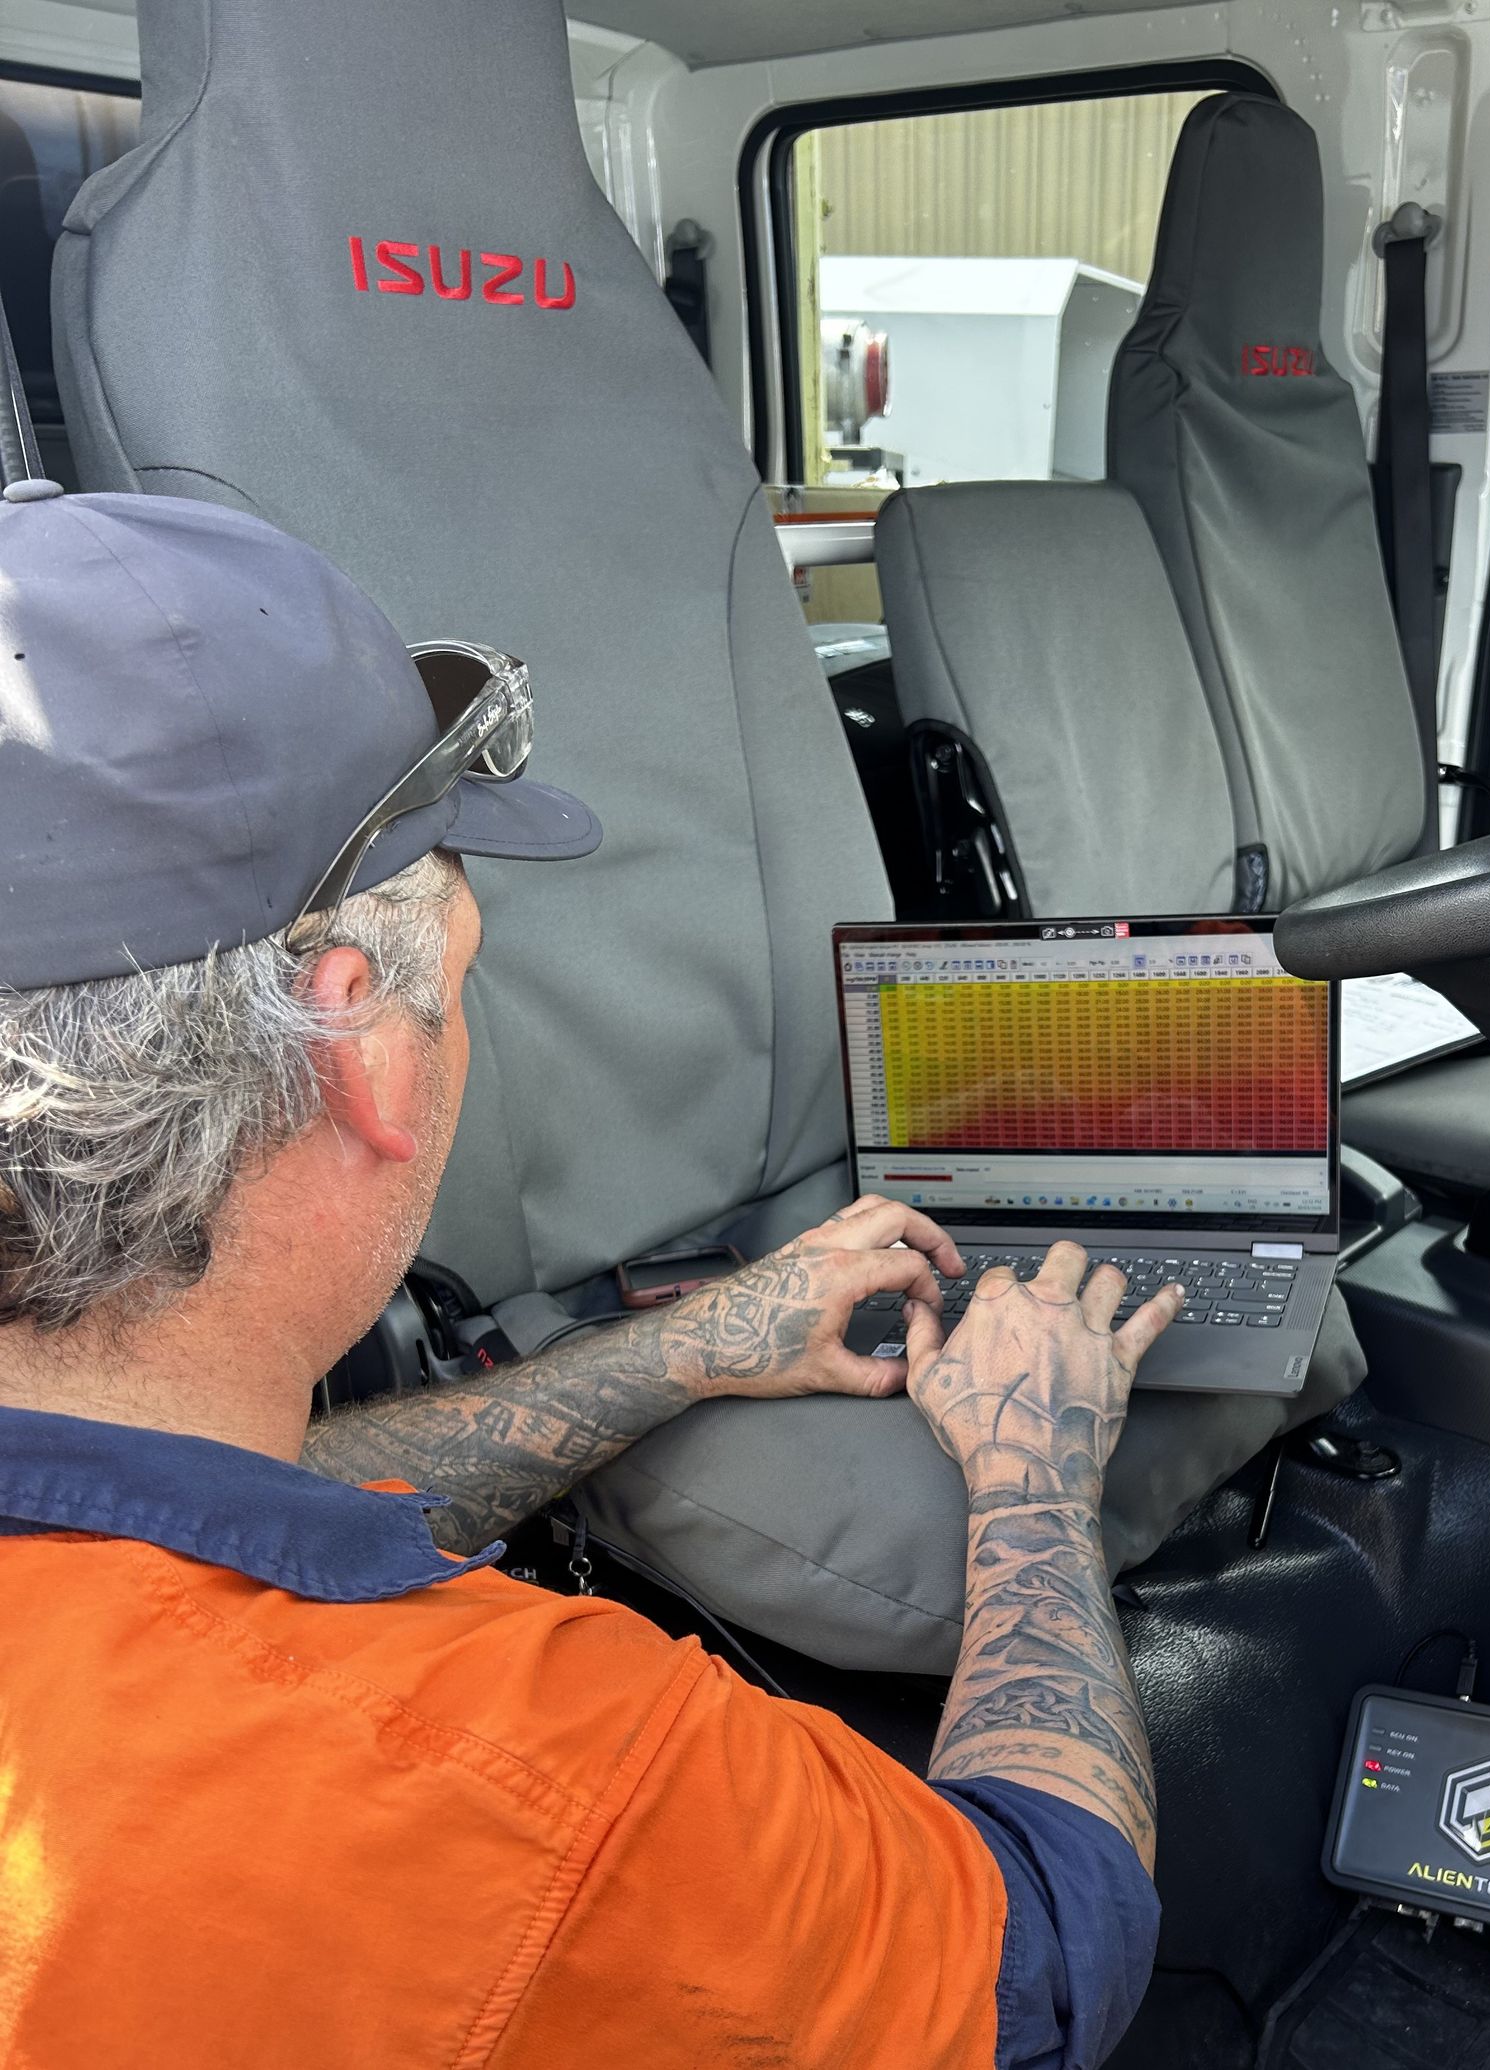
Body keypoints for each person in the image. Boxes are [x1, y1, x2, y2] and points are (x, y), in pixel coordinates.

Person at [0, 483, 1182, 2068]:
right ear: (359, 1047)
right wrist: (1036, 1470)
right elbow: (1046, 1945)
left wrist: (684, 1347)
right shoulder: (545, 1784)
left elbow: (210, 1510)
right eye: (459, 977)